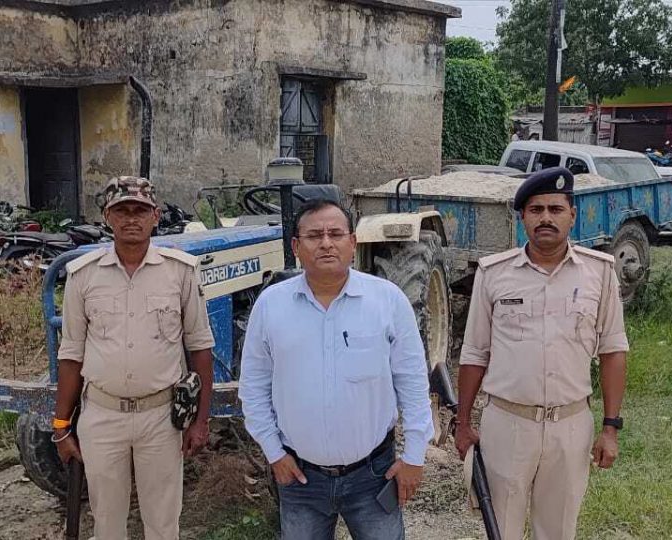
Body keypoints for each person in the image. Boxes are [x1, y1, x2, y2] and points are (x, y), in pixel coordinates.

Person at [239, 199, 434, 540]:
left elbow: (413, 383)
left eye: (335, 234)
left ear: (353, 242)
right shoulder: (271, 305)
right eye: (315, 236)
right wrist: (273, 452)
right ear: (296, 247)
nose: (326, 243)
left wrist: (414, 456)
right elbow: (253, 387)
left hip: (374, 474)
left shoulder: (387, 301)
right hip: (300, 477)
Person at [454, 167, 629, 539]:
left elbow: (613, 350)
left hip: (571, 425)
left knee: (558, 530)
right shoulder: (494, 273)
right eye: (536, 210)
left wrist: (610, 428)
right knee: (501, 528)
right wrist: (463, 423)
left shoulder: (599, 273)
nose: (545, 218)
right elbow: (475, 353)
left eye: (555, 209)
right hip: (508, 423)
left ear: (572, 215)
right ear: (523, 217)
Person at [52, 176, 216, 540]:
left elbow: (200, 347)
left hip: (161, 418)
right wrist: (61, 426)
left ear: (155, 216)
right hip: (102, 415)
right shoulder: (83, 275)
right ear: (107, 217)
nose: (131, 218)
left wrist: (200, 421)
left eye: (139, 210)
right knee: (107, 522)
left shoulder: (180, 271)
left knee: (163, 523)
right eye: (121, 210)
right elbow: (71, 354)